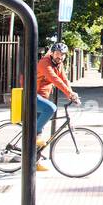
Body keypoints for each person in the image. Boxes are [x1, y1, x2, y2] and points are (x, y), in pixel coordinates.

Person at [36, 43, 81, 171]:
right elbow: (55, 80)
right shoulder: (45, 63)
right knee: (51, 108)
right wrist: (69, 93)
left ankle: (34, 163)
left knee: (40, 131)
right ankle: (33, 136)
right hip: (31, 95)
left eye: (62, 55)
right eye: (57, 54)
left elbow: (64, 79)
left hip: (42, 97)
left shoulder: (59, 64)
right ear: (52, 53)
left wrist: (71, 95)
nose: (59, 57)